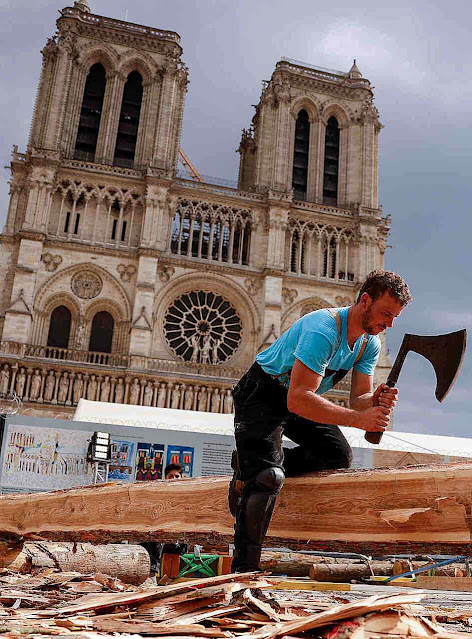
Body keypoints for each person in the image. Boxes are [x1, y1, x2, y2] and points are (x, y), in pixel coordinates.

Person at [228, 269, 412, 572]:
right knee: (268, 479)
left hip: (296, 396)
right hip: (261, 393)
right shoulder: (323, 329)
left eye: (395, 318)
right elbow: (299, 399)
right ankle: (243, 571)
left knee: (337, 455)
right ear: (365, 300)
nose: (389, 324)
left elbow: (359, 400)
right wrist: (358, 420)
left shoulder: (369, 343)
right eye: (385, 314)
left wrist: (375, 400)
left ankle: (249, 462)